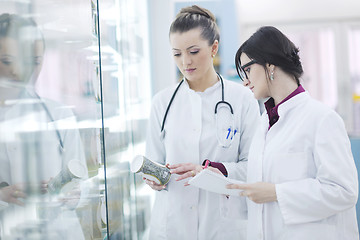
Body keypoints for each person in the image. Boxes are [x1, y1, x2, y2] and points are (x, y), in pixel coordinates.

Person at [227, 26, 359, 240]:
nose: (245, 81)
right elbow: (261, 186)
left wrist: (277, 193)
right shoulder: (265, 123)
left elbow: (343, 191)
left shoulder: (322, 119)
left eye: (248, 70)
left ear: (270, 65)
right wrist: (224, 180)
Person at [144, 5, 260, 240]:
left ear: (214, 47)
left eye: (194, 51)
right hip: (172, 227)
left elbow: (255, 167)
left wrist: (211, 171)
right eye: (177, 54)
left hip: (223, 226)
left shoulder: (242, 99)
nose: (185, 61)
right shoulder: (162, 102)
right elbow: (153, 162)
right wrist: (153, 178)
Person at [0, 13, 88, 239]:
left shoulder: (59, 115)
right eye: (8, 61)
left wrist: (73, 195)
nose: (18, 71)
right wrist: (2, 195)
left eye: (34, 61)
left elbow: (81, 182)